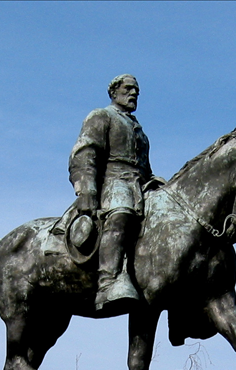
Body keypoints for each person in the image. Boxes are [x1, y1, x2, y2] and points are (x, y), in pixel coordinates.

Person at [69, 74, 159, 312]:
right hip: (113, 182)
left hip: (138, 184)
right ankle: (107, 282)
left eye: (136, 91)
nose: (133, 94)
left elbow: (145, 168)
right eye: (129, 89)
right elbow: (84, 153)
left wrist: (155, 183)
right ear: (114, 92)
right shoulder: (102, 116)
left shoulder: (140, 131)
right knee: (121, 212)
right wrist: (86, 189)